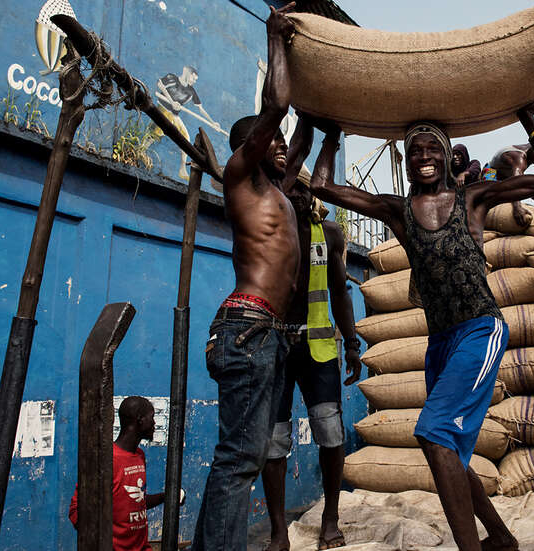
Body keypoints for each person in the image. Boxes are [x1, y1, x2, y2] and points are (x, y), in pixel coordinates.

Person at [308, 87, 534, 550]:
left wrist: (530, 118)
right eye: (415, 151)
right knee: (448, 448)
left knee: (432, 432)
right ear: (407, 161)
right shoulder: (398, 210)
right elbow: (323, 187)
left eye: (433, 149)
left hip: (480, 330)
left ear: (447, 157)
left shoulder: (473, 198)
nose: (424, 157)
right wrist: (331, 135)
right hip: (439, 343)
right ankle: (502, 537)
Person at [191, 5, 302, 550]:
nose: (281, 146)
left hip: (270, 334)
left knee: (249, 456)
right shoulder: (243, 178)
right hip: (248, 328)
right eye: (271, 141)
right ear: (252, 145)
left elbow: (301, 121)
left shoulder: (279, 192)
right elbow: (277, 105)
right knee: (238, 459)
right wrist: (275, 38)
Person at [261, 120, 362, 551]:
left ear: (313, 198)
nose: (299, 194)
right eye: (292, 188)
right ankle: (279, 532)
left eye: (306, 190)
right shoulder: (271, 227)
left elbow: (340, 293)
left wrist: (353, 342)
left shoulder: (330, 235)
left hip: (319, 351)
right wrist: (322, 133)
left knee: (330, 434)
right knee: (274, 441)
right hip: (275, 347)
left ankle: (330, 520)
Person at [69, 397, 179, 551]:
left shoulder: (139, 455)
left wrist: (166, 497)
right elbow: (76, 511)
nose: (154, 423)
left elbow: (135, 502)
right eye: (152, 417)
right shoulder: (107, 460)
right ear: (140, 420)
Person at [156, 65, 224, 179]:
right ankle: (137, 151)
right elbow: (159, 84)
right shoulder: (172, 78)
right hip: (162, 110)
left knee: (185, 139)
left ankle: (182, 170)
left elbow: (200, 109)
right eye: (193, 78)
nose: (194, 81)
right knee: (155, 135)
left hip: (174, 115)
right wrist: (172, 101)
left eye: (196, 80)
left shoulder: (191, 91)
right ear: (187, 74)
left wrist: (213, 123)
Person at [482, 144, 534, 227]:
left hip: (510, 178)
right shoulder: (518, 157)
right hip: (493, 174)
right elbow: (516, 183)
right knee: (491, 196)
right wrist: (517, 207)